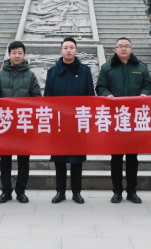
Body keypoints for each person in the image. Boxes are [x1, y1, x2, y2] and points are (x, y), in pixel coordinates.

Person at [96, 37, 151, 204]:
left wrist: (145, 94)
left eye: (126, 46)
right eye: (120, 46)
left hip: (134, 119)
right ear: (115, 49)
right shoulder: (107, 68)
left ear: (131, 49)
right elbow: (100, 87)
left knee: (132, 158)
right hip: (116, 119)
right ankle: (117, 191)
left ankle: (132, 191)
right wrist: (107, 95)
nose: (123, 49)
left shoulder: (141, 67)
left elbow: (148, 86)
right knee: (116, 157)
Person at [44, 37, 95, 204]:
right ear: (61, 51)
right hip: (59, 123)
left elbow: (90, 97)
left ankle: (76, 192)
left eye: (71, 47)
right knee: (59, 160)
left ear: (76, 50)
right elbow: (47, 99)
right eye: (65, 47)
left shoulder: (85, 71)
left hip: (78, 122)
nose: (68, 50)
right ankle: (60, 192)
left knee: (77, 160)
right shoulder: (52, 72)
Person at [0, 41, 42, 204]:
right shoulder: (0, 74)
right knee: (5, 160)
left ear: (24, 55)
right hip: (5, 124)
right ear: (9, 55)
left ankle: (21, 191)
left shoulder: (30, 75)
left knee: (23, 160)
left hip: (23, 124)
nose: (17, 55)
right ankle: (6, 191)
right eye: (14, 52)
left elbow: (37, 96)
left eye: (20, 53)